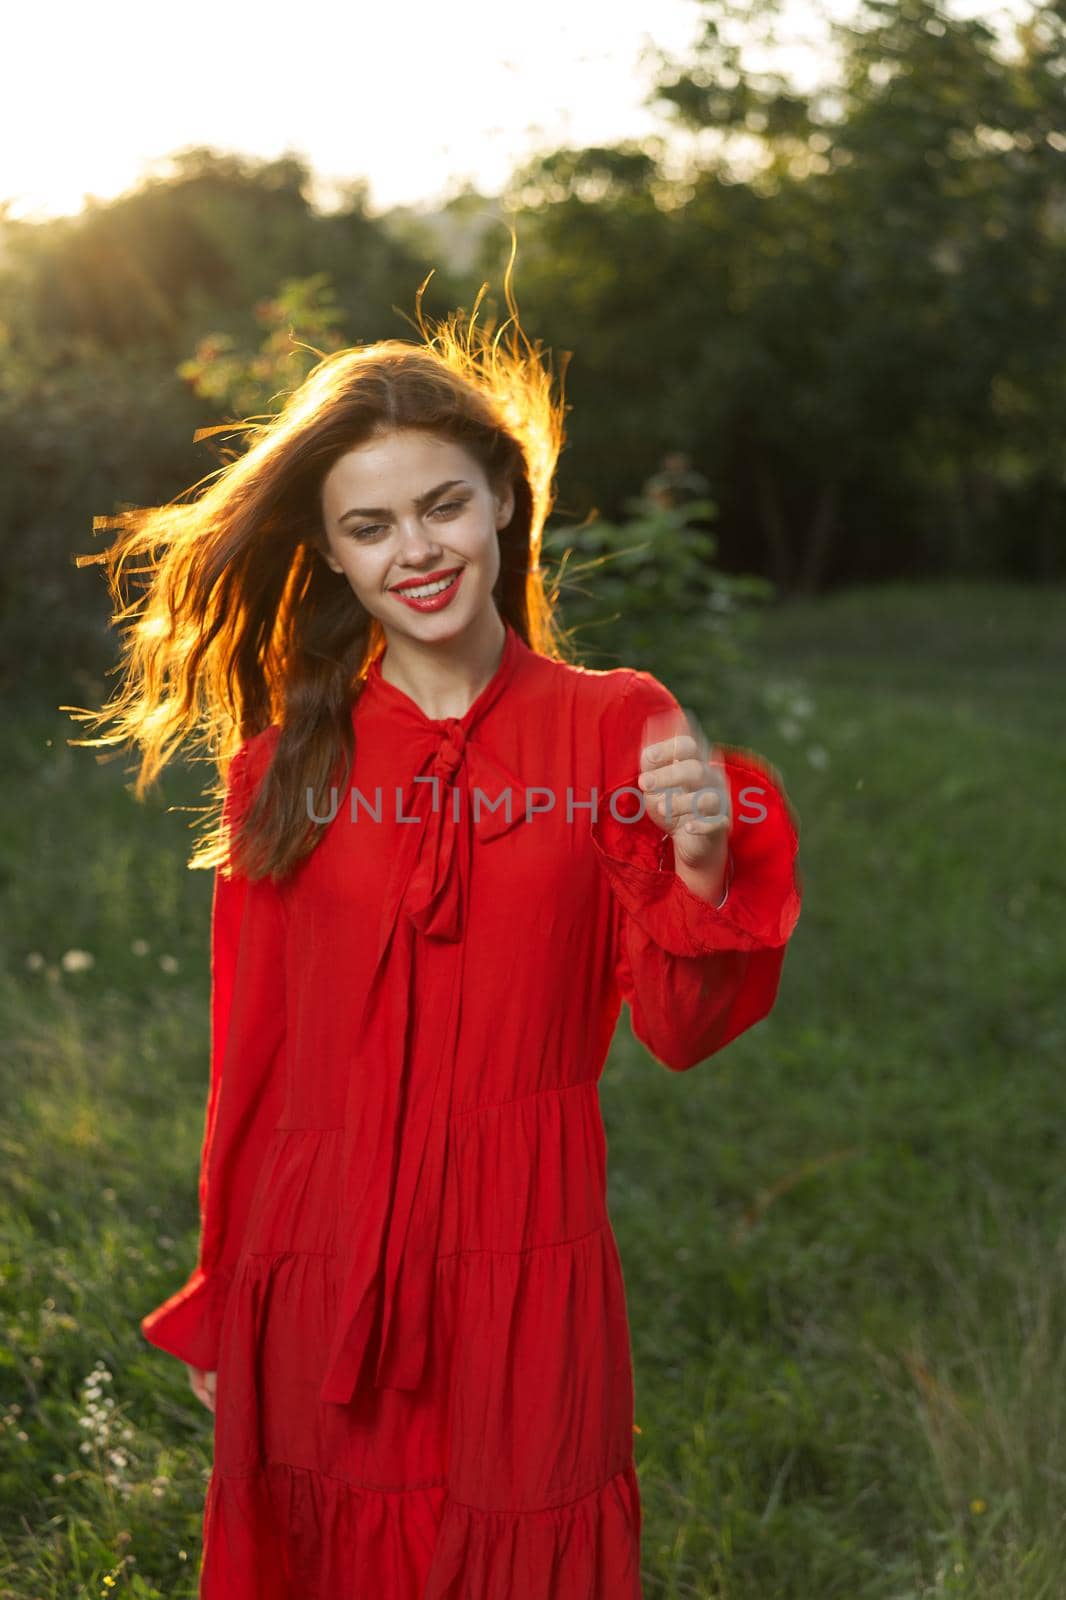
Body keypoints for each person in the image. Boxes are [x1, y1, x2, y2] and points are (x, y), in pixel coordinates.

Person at [74, 288, 803, 1597]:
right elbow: (253, 1060)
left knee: (527, 1548)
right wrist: (222, 1290)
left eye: (442, 506)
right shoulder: (285, 768)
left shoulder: (613, 725)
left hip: (526, 1245)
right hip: (318, 1247)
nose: (415, 548)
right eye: (370, 524)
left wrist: (699, 860)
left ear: (504, 505)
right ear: (335, 555)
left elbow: (684, 1034)